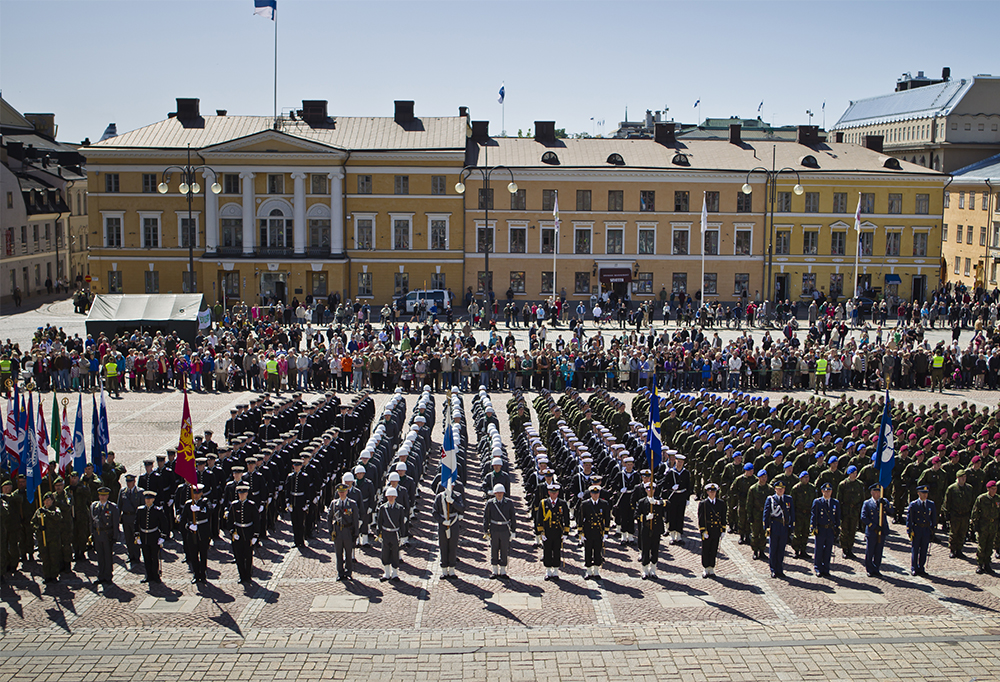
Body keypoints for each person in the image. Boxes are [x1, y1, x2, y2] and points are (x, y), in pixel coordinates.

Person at [536, 483, 570, 581]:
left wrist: (566, 532)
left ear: (558, 493)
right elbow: (539, 519)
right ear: (549, 493)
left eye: (555, 493)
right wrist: (541, 532)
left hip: (558, 531)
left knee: (556, 551)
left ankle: (555, 571)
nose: (554, 494)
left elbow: (566, 518)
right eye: (552, 493)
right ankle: (547, 571)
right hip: (547, 531)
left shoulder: (562, 503)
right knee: (547, 551)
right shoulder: (543, 503)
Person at [578, 484, 611, 580]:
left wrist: (606, 532)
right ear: (590, 494)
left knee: (597, 551)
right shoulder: (585, 504)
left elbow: (607, 518)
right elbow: (580, 518)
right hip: (588, 530)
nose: (595, 495)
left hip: (598, 531)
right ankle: (588, 571)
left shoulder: (604, 504)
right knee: (588, 551)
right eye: (593, 493)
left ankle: (596, 571)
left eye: (597, 493)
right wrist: (581, 532)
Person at [484, 483, 516, 579]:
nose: (499, 494)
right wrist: (486, 531)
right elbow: (486, 518)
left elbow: (513, 517)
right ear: (494, 493)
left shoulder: (509, 503)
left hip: (504, 529)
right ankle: (494, 570)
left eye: (501, 493)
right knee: (494, 549)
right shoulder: (490, 503)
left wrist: (513, 530)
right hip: (494, 529)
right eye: (497, 493)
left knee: (504, 549)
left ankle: (503, 570)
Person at [432, 484, 464, 579]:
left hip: (453, 523)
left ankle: (452, 570)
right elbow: (434, 512)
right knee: (443, 546)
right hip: (443, 524)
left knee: (453, 546)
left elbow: (462, 508)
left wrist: (453, 502)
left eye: (451, 486)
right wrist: (442, 521)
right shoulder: (439, 497)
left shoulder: (457, 496)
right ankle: (444, 570)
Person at [90, 486, 120, 586]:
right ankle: (100, 575)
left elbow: (115, 523)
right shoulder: (94, 506)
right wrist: (92, 535)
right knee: (100, 556)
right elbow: (92, 522)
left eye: (105, 495)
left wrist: (115, 537)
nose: (103, 497)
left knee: (107, 556)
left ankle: (108, 576)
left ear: (107, 496)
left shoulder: (112, 507)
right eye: (101, 495)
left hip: (107, 535)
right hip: (98, 534)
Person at [329, 482, 360, 581]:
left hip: (348, 531)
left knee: (348, 552)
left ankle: (349, 572)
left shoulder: (352, 504)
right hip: (338, 531)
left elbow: (355, 519)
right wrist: (331, 531)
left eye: (343, 492)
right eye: (340, 492)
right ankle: (340, 572)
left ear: (347, 492)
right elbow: (329, 518)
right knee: (338, 553)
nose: (342, 493)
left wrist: (356, 533)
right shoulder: (334, 504)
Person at [181, 483, 211, 584]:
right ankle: (196, 574)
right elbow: (183, 519)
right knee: (193, 555)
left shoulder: (205, 502)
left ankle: (203, 574)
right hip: (192, 532)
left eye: (198, 493)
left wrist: (199, 509)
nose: (196, 495)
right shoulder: (188, 504)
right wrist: (188, 526)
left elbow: (209, 511)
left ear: (201, 493)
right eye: (194, 493)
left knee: (203, 554)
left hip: (203, 532)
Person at [634, 482, 665, 579]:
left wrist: (656, 502)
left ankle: (653, 570)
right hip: (646, 529)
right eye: (648, 489)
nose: (650, 491)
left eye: (652, 489)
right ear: (645, 490)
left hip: (656, 529)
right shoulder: (642, 501)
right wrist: (645, 517)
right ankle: (645, 570)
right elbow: (636, 515)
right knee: (645, 549)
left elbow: (667, 504)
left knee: (655, 550)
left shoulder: (658, 500)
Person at [763, 480, 794, 578]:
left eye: (782, 489)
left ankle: (780, 569)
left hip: (784, 527)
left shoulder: (788, 499)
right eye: (779, 489)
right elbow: (766, 514)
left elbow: (792, 514)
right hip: (774, 526)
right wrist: (766, 527)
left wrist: (791, 527)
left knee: (781, 549)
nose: (780, 491)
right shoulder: (771, 499)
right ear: (775, 489)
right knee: (773, 549)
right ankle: (773, 569)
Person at [230, 484, 260, 584]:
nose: (241, 495)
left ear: (247, 493)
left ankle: (248, 575)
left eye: (243, 493)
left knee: (248, 555)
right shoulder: (234, 505)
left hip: (248, 533)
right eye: (240, 494)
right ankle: (242, 575)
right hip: (238, 533)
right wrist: (232, 532)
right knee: (239, 556)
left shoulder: (251, 505)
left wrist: (255, 535)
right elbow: (230, 521)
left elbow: (256, 520)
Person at [810, 482, 841, 577]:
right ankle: (818, 567)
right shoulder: (818, 502)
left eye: (829, 491)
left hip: (830, 530)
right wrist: (813, 527)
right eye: (825, 491)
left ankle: (826, 568)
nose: (827, 493)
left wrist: (838, 528)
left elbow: (837, 517)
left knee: (828, 549)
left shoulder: (835, 503)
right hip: (821, 528)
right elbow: (814, 515)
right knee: (819, 549)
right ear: (822, 491)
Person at [32, 493, 64, 584]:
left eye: (49, 500)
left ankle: (54, 575)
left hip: (53, 538)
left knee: (54, 557)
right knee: (45, 558)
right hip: (43, 538)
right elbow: (33, 522)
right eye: (45, 500)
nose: (47, 502)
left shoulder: (55, 509)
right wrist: (38, 527)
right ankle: (47, 576)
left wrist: (47, 512)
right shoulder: (39, 511)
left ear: (52, 501)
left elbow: (57, 517)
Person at [943, 469, 975, 559]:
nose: (963, 479)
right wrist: (946, 514)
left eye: (965, 477)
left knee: (962, 533)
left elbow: (972, 501)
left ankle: (959, 549)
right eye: (961, 477)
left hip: (965, 514)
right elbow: (947, 502)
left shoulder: (969, 488)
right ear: (957, 478)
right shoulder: (952, 488)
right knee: (954, 533)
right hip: (955, 514)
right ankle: (952, 550)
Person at [135, 490, 166, 584]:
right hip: (144, 536)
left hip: (154, 536)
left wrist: (163, 536)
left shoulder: (157, 510)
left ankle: (155, 575)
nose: (148, 501)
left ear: (153, 499)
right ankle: (148, 575)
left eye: (150, 499)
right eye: (146, 499)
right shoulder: (140, 510)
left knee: (154, 557)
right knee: (146, 557)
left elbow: (164, 523)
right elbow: (136, 523)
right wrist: (137, 535)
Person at [860, 483, 890, 578]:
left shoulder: (883, 502)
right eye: (876, 491)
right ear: (872, 492)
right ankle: (869, 569)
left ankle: (876, 568)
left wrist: (886, 505)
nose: (877, 493)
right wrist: (873, 526)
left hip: (882, 531)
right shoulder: (867, 503)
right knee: (870, 551)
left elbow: (892, 511)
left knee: (878, 551)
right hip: (872, 531)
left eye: (879, 491)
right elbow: (863, 517)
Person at [697, 482, 726, 578]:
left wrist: (723, 529)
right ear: (707, 492)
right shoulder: (703, 504)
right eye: (710, 491)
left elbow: (723, 517)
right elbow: (701, 518)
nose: (712, 493)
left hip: (716, 529)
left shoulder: (721, 503)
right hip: (708, 530)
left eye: (714, 491)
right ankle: (706, 568)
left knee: (714, 549)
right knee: (706, 549)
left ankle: (712, 568)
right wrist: (703, 531)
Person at [376, 486, 405, 581]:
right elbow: (379, 521)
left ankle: (395, 573)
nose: (391, 498)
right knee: (385, 553)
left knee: (395, 553)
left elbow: (401, 523)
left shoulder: (400, 508)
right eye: (389, 496)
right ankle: (387, 573)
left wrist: (403, 536)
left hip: (395, 533)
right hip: (385, 533)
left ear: (396, 497)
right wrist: (378, 533)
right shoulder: (383, 508)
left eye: (392, 496)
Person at [906, 484, 935, 576]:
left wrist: (933, 530)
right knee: (915, 549)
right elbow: (909, 519)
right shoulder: (914, 505)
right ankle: (914, 567)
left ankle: (921, 567)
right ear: (918, 493)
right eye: (923, 493)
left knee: (924, 549)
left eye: (926, 493)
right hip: (917, 529)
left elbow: (934, 518)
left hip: (926, 529)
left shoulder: (931, 504)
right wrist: (909, 531)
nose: (925, 495)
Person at [971, 480, 999, 575]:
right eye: (992, 489)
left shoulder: (998, 499)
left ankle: (987, 563)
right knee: (982, 546)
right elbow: (975, 512)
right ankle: (980, 564)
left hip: (993, 526)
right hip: (983, 525)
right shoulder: (982, 498)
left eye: (995, 489)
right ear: (988, 489)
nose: (994, 491)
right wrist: (975, 525)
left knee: (990, 545)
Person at [118, 474, 143, 566]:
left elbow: (142, 507)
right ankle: (130, 555)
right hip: (126, 517)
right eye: (127, 482)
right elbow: (119, 505)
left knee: (135, 537)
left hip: (135, 517)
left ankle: (136, 556)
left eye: (130, 482)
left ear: (134, 482)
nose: (129, 484)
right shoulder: (122, 491)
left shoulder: (140, 492)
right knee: (128, 538)